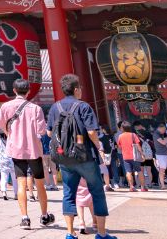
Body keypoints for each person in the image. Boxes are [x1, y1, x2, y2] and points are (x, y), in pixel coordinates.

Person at [46, 74, 116, 239]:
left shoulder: (55, 107)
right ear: (76, 89)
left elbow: (49, 132)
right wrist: (98, 145)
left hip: (65, 158)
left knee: (68, 193)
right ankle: (101, 233)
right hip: (85, 156)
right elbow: (91, 131)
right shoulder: (84, 107)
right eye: (80, 88)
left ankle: (70, 233)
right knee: (97, 192)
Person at [0, 78, 55, 229]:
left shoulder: (6, 107)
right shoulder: (35, 109)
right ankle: (44, 215)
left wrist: (10, 132)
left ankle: (25, 218)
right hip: (33, 149)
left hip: (16, 149)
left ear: (14, 90)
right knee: (39, 184)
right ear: (28, 91)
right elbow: (41, 131)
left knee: (21, 184)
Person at [116, 122, 145, 192]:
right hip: (134, 156)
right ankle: (143, 187)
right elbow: (138, 145)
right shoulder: (133, 135)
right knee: (139, 171)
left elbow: (119, 147)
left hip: (125, 156)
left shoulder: (120, 136)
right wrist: (142, 154)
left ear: (122, 128)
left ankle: (131, 186)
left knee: (128, 172)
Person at [0, 132, 16, 201]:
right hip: (12, 159)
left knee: (3, 177)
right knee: (14, 178)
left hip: (2, 159)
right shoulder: (11, 136)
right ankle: (16, 194)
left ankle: (4, 192)